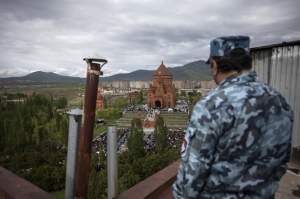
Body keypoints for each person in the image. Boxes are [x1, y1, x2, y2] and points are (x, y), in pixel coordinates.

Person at [172, 36, 293, 199]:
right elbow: (282, 159)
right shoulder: (278, 100)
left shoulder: (212, 105)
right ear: (248, 63)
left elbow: (193, 171)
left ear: (214, 65)